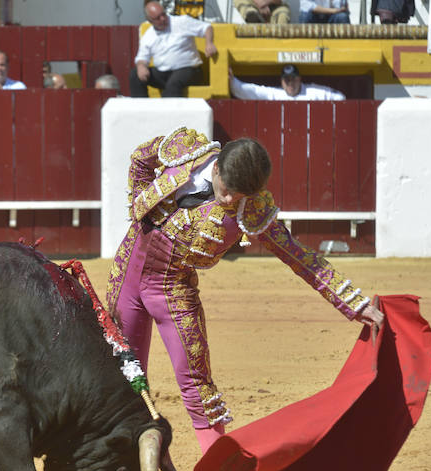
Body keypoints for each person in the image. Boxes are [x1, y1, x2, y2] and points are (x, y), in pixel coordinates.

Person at [106, 127, 384, 454]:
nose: (229, 201)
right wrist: (139, 205)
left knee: (197, 384)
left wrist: (353, 302)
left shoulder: (252, 207)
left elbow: (299, 257)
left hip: (171, 287)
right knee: (124, 377)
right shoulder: (184, 148)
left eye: (239, 197)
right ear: (218, 168)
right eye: (228, 191)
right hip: (126, 271)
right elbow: (140, 159)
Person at [130, 1, 217, 98]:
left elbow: (206, 28)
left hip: (189, 69)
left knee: (173, 84)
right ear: (150, 21)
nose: (163, 19)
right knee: (135, 75)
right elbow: (142, 57)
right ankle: (141, 109)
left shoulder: (181, 22)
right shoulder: (148, 36)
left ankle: (168, 112)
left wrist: (209, 43)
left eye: (163, 14)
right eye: (158, 18)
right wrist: (141, 66)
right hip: (164, 73)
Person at [230, 64, 346, 100]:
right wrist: (231, 79)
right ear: (282, 82)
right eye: (287, 80)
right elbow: (252, 91)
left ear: (299, 79)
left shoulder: (313, 91)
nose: (290, 83)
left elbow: (339, 98)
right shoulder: (275, 94)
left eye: (293, 79)